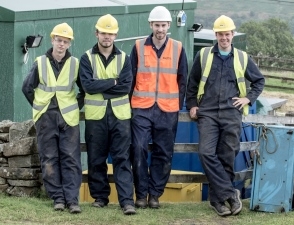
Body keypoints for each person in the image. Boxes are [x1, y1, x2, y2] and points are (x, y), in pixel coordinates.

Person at [186, 15, 265, 216]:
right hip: (208, 112)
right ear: (216, 35)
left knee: (227, 157)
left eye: (227, 34)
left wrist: (248, 98)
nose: (224, 37)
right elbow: (192, 83)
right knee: (206, 152)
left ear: (232, 34)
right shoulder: (203, 55)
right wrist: (192, 105)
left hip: (232, 113)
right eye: (220, 34)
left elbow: (259, 81)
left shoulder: (242, 57)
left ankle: (217, 201)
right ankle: (230, 194)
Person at [22, 23, 84, 214]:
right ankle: (58, 198)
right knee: (49, 158)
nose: (61, 44)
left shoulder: (75, 64)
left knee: (71, 159)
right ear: (52, 40)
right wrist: (40, 106)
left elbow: (84, 90)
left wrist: (75, 107)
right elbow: (27, 88)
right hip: (46, 117)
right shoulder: (40, 62)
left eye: (65, 41)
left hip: (68, 118)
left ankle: (72, 200)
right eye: (58, 40)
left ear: (69, 43)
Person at [130, 6, 188, 209]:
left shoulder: (178, 48)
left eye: (163, 25)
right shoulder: (137, 47)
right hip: (141, 108)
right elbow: (130, 78)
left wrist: (177, 106)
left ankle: (154, 195)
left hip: (167, 110)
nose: (160, 29)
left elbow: (183, 80)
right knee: (137, 149)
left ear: (169, 26)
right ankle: (141, 194)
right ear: (150, 25)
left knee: (164, 152)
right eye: (157, 25)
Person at [78, 14, 136, 215]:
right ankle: (100, 197)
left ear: (116, 35)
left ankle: (127, 201)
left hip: (120, 117)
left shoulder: (124, 58)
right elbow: (87, 86)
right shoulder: (86, 58)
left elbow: (125, 87)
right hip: (96, 117)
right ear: (97, 33)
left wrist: (99, 86)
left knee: (122, 158)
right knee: (96, 159)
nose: (107, 37)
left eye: (110, 34)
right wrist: (113, 82)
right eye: (103, 33)